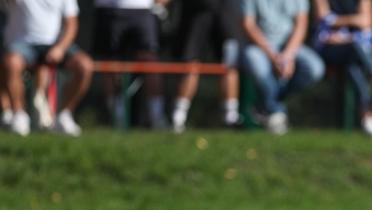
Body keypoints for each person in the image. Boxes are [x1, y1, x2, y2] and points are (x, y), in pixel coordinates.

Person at [311, 0, 372, 137]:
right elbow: (323, 19)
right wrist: (353, 21)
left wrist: (338, 25)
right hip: (328, 49)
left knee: (352, 62)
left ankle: (367, 114)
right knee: (355, 49)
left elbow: (366, 21)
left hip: (355, 48)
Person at [2, 0, 94, 136]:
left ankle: (63, 116)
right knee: (10, 63)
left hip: (54, 44)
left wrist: (60, 48)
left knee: (85, 65)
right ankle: (19, 115)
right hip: (21, 45)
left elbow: (71, 24)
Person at [241, 0, 325, 135]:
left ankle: (267, 105)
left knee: (315, 68)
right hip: (261, 47)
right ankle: (276, 111)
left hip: (290, 46)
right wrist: (272, 56)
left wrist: (287, 56)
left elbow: (301, 24)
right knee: (253, 59)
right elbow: (248, 25)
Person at [94, 0, 170, 129]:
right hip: (108, 10)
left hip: (143, 10)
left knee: (149, 61)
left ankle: (157, 117)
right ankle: (116, 117)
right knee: (110, 63)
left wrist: (158, 4)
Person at [171, 0, 243, 133]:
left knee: (230, 62)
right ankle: (178, 117)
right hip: (198, 8)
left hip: (226, 9)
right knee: (191, 63)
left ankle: (231, 117)